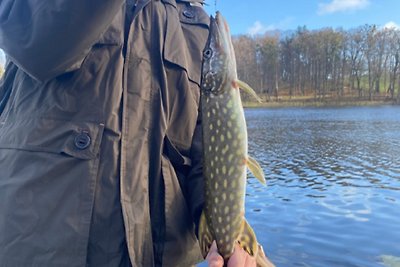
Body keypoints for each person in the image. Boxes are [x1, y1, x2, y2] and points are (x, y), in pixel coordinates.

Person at [0, 0, 269, 266]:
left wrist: (227, 237)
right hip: (41, 244)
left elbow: (205, 158)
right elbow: (31, 40)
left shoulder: (196, 23)